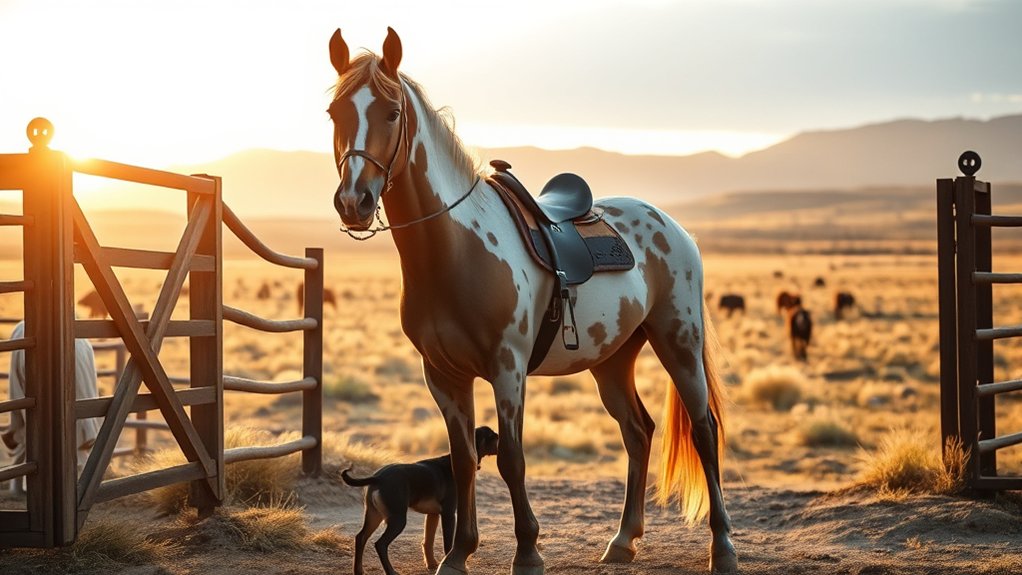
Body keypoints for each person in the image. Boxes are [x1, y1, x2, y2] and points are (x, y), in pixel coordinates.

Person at [2, 321, 100, 492]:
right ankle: (66, 487)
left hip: (26, 338)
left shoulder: (21, 330)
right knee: (71, 425)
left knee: (27, 410)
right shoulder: (81, 338)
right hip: (67, 357)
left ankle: (17, 484)